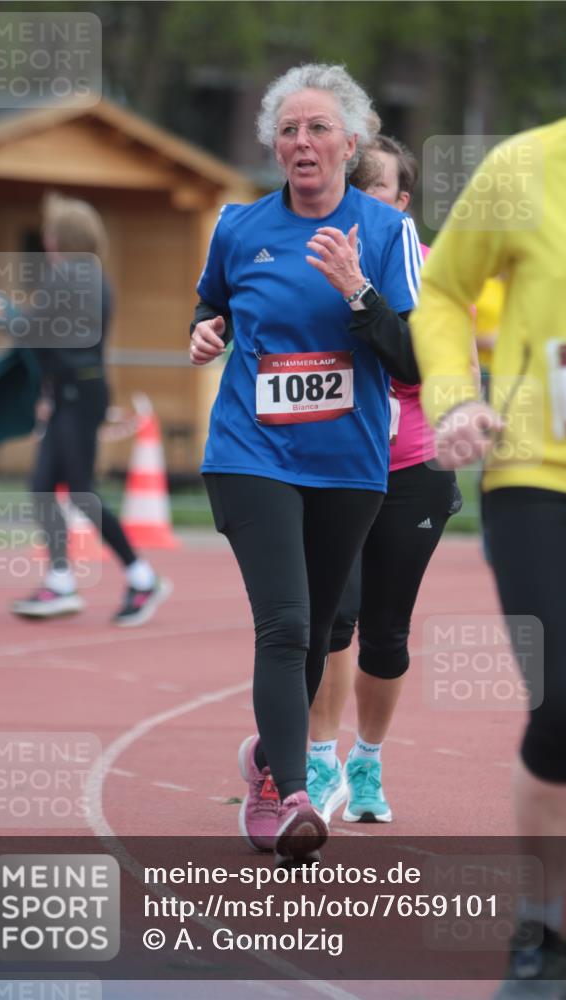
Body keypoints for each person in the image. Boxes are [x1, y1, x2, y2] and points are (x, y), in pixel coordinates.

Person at [411, 2, 566, 996]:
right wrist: (454, 398)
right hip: (542, 476)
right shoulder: (522, 167)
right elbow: (442, 292)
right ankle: (536, 928)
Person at [189, 64, 422, 864]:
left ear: (350, 143)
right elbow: (213, 302)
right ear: (273, 145)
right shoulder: (238, 227)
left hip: (347, 465)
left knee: (320, 631)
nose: (301, 141)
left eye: (317, 127)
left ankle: (271, 749)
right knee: (285, 625)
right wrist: (206, 330)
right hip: (250, 453)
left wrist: (358, 290)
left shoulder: (384, 233)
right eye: (287, 129)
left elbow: (412, 363)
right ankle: (285, 794)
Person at [306, 137, 465, 825]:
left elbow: (427, 367)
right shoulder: (308, 263)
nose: (361, 205)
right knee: (329, 619)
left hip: (411, 467)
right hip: (334, 466)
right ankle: (319, 760)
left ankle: (366, 760)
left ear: (400, 204)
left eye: (376, 191)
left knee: (386, 631)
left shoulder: (429, 270)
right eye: (354, 187)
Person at [0, 192, 171, 627]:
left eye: (52, 232)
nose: (47, 239)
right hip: (72, 394)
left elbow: (31, 331)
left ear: (61, 238)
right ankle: (62, 580)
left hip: (78, 394)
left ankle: (141, 576)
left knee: (79, 492)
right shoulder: (88, 277)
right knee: (45, 488)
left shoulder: (70, 277)